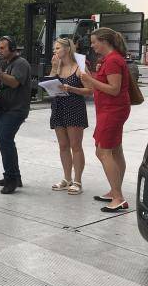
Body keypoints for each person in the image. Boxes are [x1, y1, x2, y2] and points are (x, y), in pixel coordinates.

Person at [78, 28, 131, 212]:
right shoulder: (109, 59)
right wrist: (88, 75)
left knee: (103, 152)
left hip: (112, 110)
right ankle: (115, 191)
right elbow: (101, 85)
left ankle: (118, 197)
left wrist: (90, 80)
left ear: (104, 42)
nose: (92, 46)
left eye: (94, 42)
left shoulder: (113, 60)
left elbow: (114, 89)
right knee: (115, 151)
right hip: (109, 110)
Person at [0, 36, 31, 194]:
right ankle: (14, 176)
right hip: (1, 108)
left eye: (2, 48)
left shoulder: (21, 64)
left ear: (12, 48)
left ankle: (11, 179)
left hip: (16, 109)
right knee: (5, 143)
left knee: (5, 140)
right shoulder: (3, 63)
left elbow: (14, 82)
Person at [47, 38, 92, 195]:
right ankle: (67, 179)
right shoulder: (57, 66)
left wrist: (72, 89)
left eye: (58, 48)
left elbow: (90, 90)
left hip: (74, 108)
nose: (55, 51)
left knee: (76, 146)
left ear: (67, 49)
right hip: (58, 107)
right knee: (63, 145)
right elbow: (49, 84)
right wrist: (54, 68)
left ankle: (77, 181)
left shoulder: (79, 66)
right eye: (55, 48)